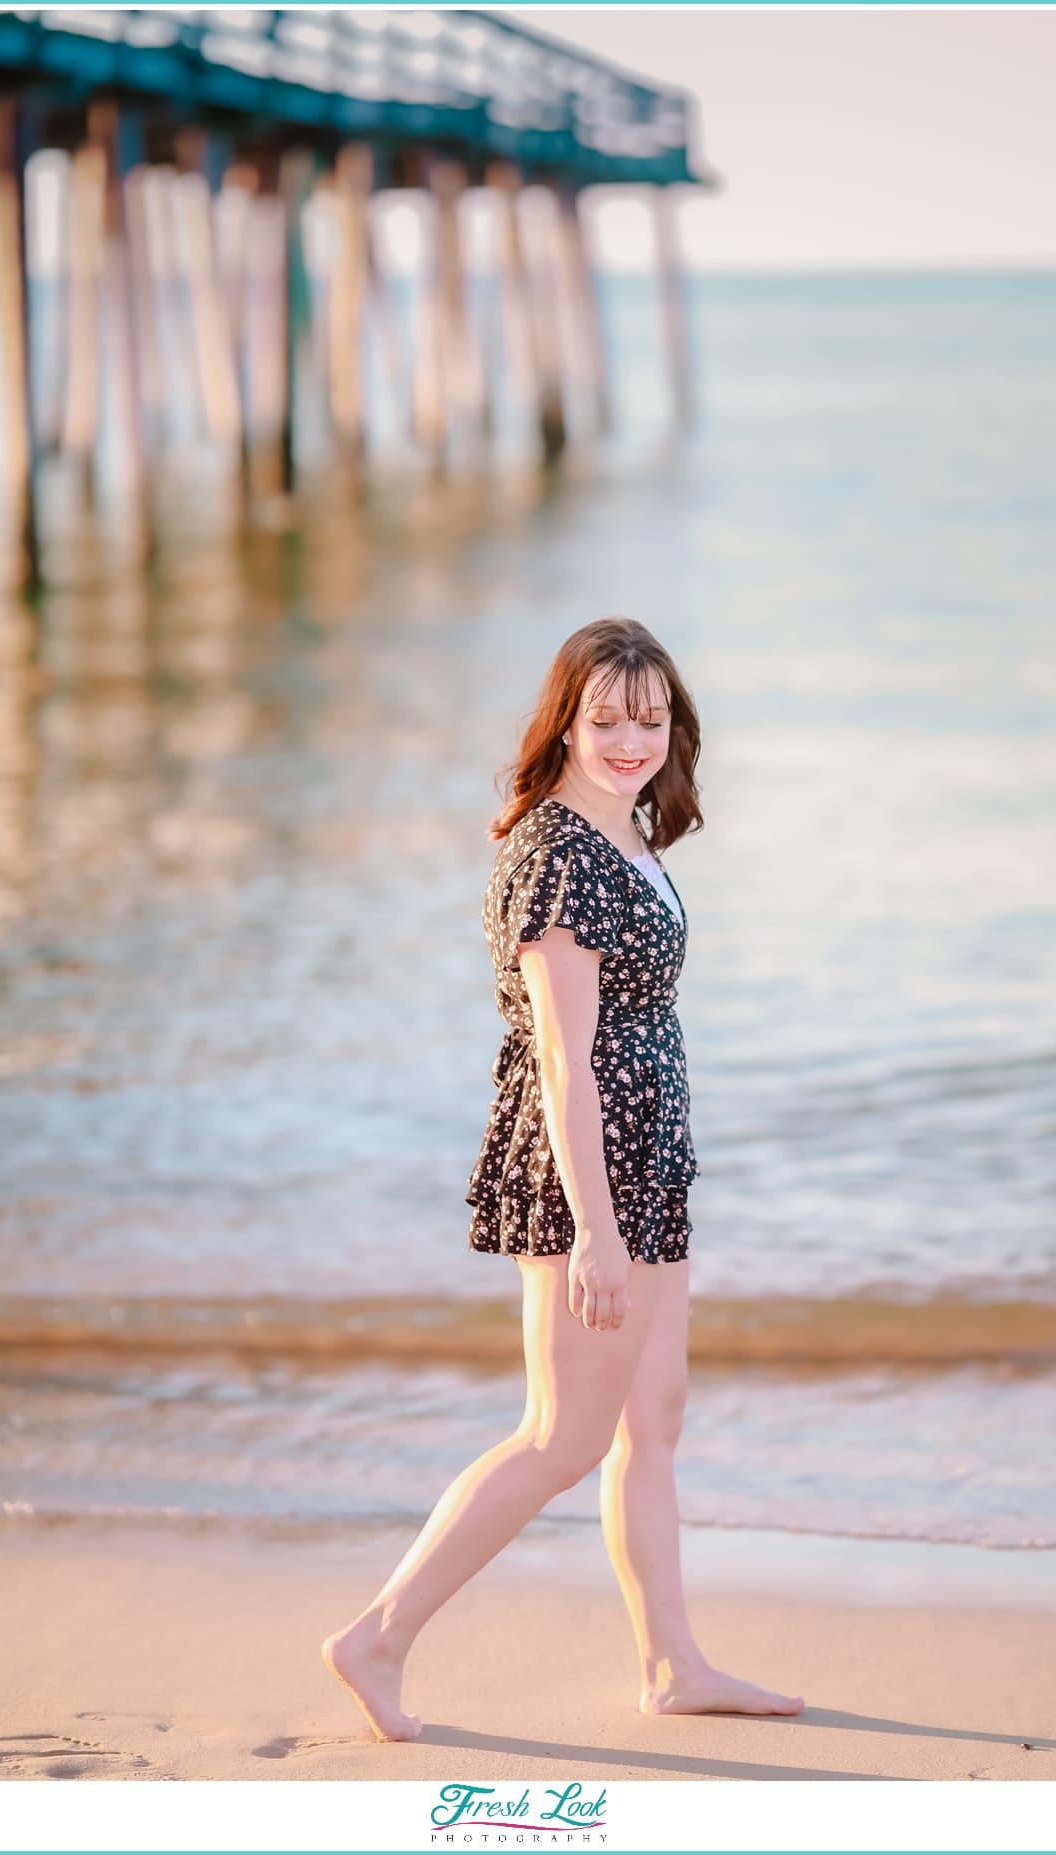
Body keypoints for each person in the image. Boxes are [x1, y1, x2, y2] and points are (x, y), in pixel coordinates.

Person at [322, 617, 804, 1740]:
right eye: (607, 719)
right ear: (566, 720)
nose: (632, 740)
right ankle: (378, 1635)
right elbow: (558, 1054)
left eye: (651, 719)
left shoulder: (627, 835)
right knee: (562, 1434)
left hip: (649, 1159)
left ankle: (672, 1663)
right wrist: (593, 1226)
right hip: (590, 1167)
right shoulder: (557, 855)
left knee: (655, 1416)